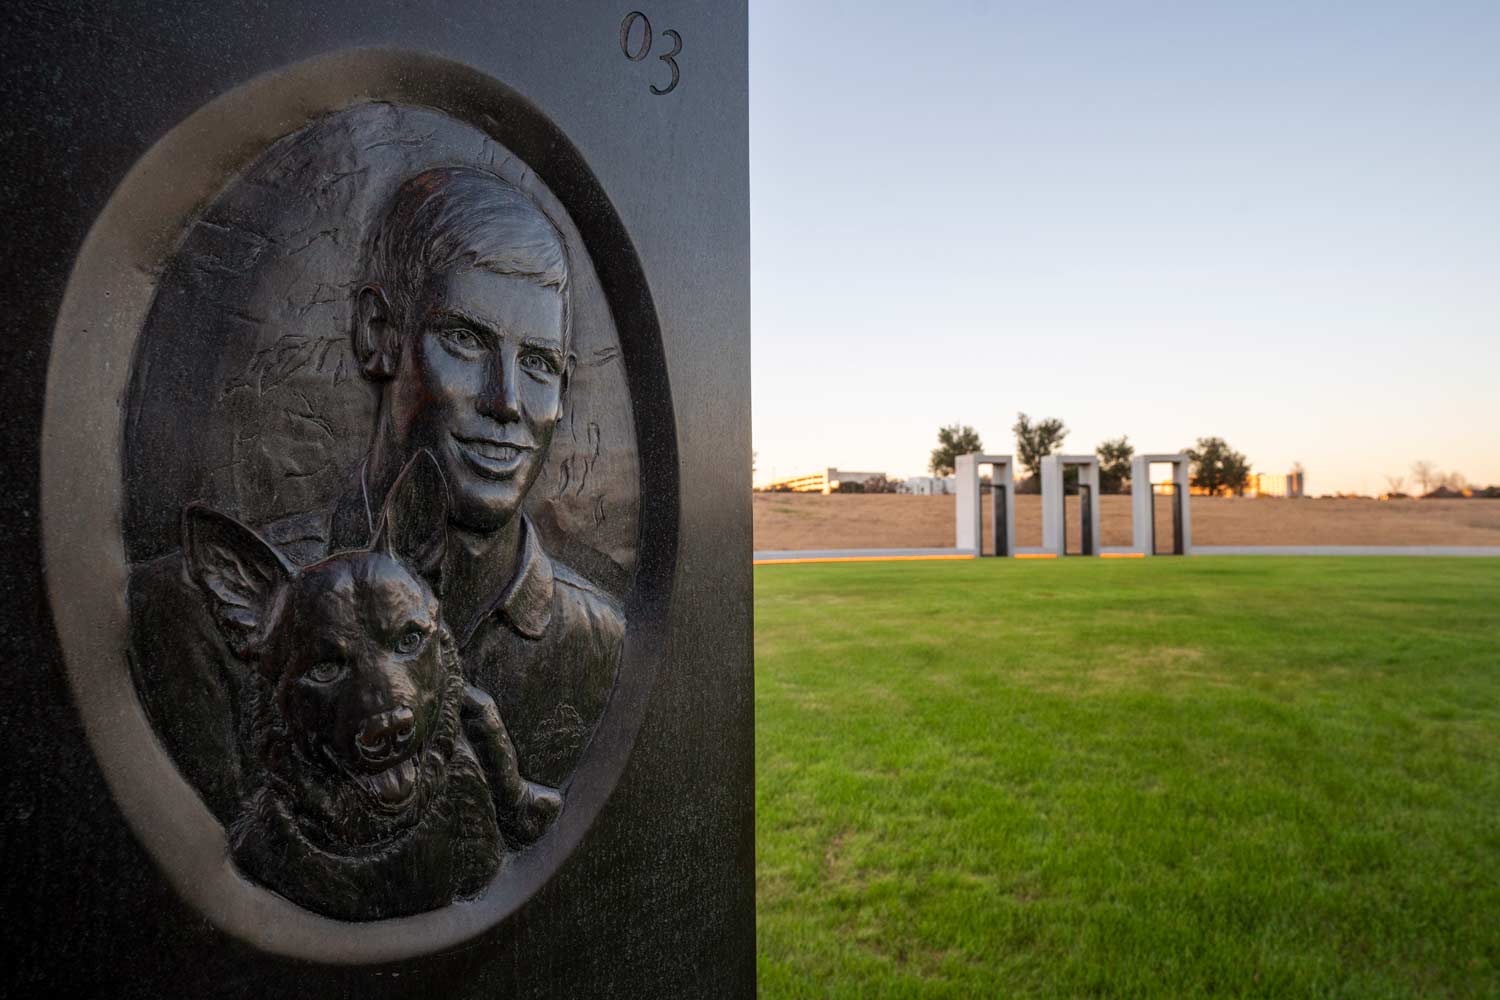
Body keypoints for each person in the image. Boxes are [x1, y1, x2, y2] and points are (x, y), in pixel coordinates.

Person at [129, 167, 624, 823]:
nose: (507, 403)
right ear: (377, 334)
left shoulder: (601, 641)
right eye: (466, 342)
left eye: (539, 364)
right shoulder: (185, 619)